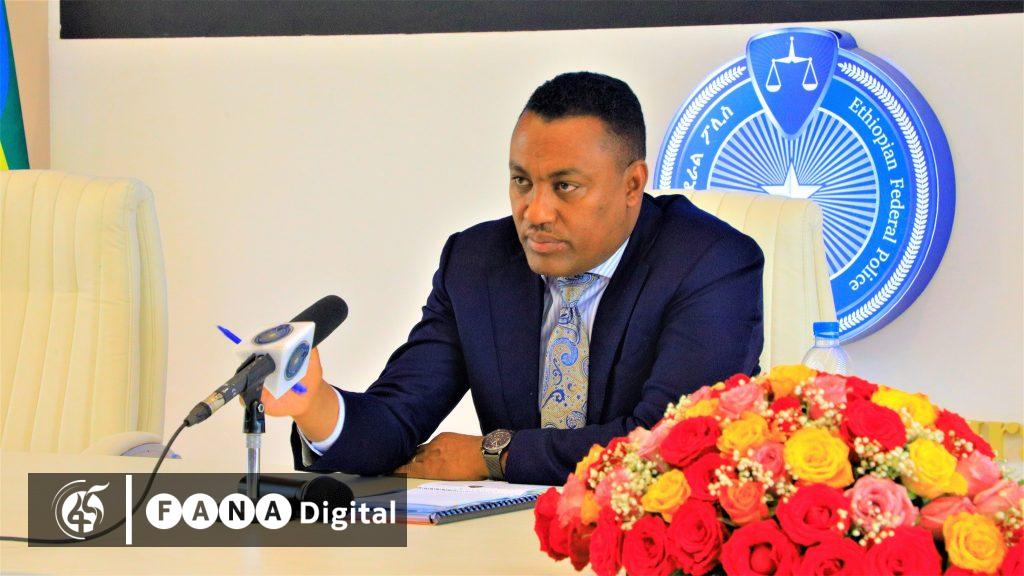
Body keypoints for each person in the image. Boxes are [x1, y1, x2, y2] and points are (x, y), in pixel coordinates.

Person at [263, 71, 764, 486]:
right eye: (522, 181)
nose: (535, 212)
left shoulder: (711, 263)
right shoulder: (476, 263)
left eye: (565, 186)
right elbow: (397, 418)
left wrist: (494, 455)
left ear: (633, 184)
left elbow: (664, 443)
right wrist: (316, 405)